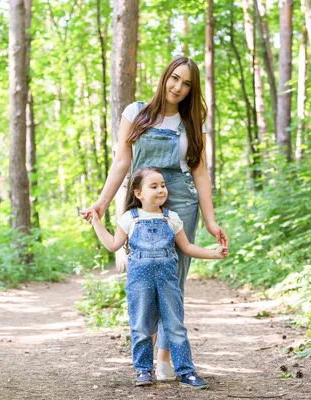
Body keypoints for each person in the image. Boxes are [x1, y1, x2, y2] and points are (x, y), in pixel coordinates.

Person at [81, 56, 229, 381]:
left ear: (192, 89)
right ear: (165, 78)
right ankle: (144, 359)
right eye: (175, 78)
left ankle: (165, 358)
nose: (178, 87)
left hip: (181, 203)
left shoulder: (191, 122)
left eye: (187, 83)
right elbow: (122, 161)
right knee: (144, 279)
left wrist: (210, 220)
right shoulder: (135, 113)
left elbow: (200, 171)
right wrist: (102, 204)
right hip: (141, 201)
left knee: (173, 282)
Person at [88, 167, 228, 388]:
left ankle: (186, 371)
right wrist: (96, 221)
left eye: (163, 185)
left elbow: (187, 247)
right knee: (141, 325)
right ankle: (143, 370)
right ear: (138, 193)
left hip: (167, 281)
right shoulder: (129, 219)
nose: (161, 190)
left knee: (175, 325)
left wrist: (214, 253)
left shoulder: (171, 218)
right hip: (139, 283)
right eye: (154, 186)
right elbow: (113, 244)